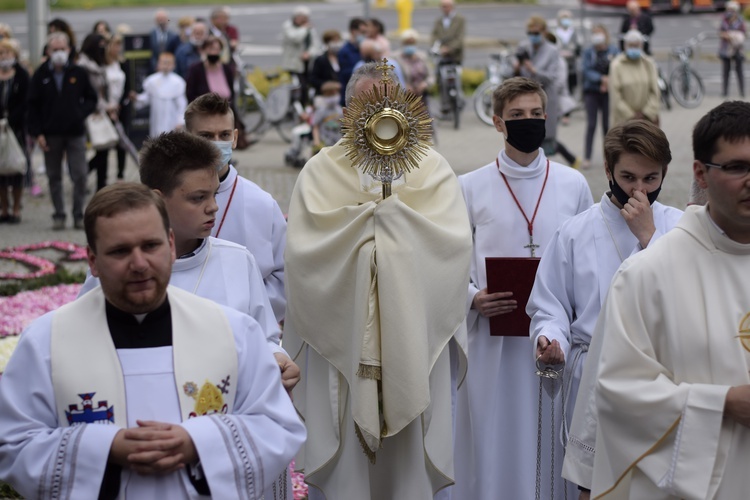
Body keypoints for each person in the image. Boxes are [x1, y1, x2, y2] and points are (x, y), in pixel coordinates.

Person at [0, 182, 306, 499]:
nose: (139, 264)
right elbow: (13, 444)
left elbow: (276, 426)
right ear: (92, 260)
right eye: (120, 250)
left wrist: (197, 443)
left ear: (171, 245)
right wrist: (105, 449)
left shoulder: (234, 332)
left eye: (150, 246)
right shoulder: (47, 342)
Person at [284, 62, 472, 499]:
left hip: (413, 342)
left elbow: (453, 247)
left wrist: (384, 233)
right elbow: (303, 253)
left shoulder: (434, 169)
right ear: (347, 110)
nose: (378, 115)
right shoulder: (319, 171)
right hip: (344, 346)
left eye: (388, 103)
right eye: (367, 104)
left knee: (406, 477)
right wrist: (379, 235)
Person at [572, 100, 750, 499]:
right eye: (737, 167)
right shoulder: (646, 275)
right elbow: (618, 393)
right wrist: (720, 404)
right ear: (701, 173)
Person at [452, 77, 593, 500]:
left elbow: (588, 258)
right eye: (517, 116)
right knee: (497, 436)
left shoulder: (573, 184)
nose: (527, 122)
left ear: (547, 119)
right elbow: (449, 260)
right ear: (498, 122)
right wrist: (472, 296)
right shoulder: (469, 186)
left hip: (555, 339)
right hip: (493, 341)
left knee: (552, 433)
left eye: (535, 115)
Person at [526, 120, 683, 498]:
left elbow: (685, 299)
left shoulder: (679, 228)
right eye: (628, 176)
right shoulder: (575, 232)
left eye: (651, 178)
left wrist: (649, 237)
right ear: (609, 170)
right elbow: (551, 304)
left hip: (663, 381)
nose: (639, 189)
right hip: (592, 378)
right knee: (593, 487)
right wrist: (551, 338)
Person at [77, 131, 298, 388]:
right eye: (198, 198)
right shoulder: (120, 268)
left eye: (215, 194)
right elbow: (85, 341)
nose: (213, 206)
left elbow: (263, 338)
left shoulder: (237, 260)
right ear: (158, 200)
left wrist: (278, 358)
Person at [184, 92, 287, 322]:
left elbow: (283, 280)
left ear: (235, 138)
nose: (216, 143)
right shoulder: (169, 200)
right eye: (206, 136)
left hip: (244, 327)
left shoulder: (261, 204)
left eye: (224, 135)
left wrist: (240, 313)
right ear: (187, 138)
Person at [28, 32, 98, 230]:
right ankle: (59, 214)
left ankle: (78, 214)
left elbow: (91, 98)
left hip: (75, 132)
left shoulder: (78, 72)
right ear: (48, 52)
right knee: (54, 176)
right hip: (50, 134)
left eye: (62, 49)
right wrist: (37, 133)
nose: (59, 53)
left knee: (80, 175)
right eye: (55, 49)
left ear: (69, 50)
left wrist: (79, 113)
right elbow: (32, 106)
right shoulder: (41, 74)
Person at [515, 16, 562, 158]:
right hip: (525, 100)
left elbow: (552, 76)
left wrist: (534, 70)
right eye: (530, 33)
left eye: (536, 33)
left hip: (545, 99)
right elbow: (514, 76)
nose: (532, 37)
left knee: (545, 142)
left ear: (544, 32)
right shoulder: (524, 46)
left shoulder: (552, 50)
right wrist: (516, 68)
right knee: (526, 144)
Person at [79, 33, 116, 192]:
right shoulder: (83, 66)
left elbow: (104, 90)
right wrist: (104, 106)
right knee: (98, 148)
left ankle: (101, 183)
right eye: (100, 44)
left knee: (104, 147)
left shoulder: (99, 64)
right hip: (90, 112)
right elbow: (89, 92)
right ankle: (81, 174)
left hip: (102, 110)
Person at [581, 24, 619, 170]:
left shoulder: (613, 50)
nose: (597, 36)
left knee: (607, 126)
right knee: (591, 125)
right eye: (594, 33)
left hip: (608, 92)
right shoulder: (588, 52)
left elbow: (617, 67)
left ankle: (608, 158)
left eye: (599, 33)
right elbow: (586, 70)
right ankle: (587, 157)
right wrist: (600, 79)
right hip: (592, 92)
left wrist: (608, 80)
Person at [0, 39, 29, 224]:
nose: (3, 56)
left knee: (16, 168)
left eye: (7, 53)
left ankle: (17, 207)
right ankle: (4, 208)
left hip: (15, 129)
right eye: (1, 53)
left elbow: (26, 102)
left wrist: (10, 120)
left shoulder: (22, 75)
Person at [609, 29, 660, 127]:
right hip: (623, 122)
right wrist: (631, 115)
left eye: (636, 45)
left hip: (647, 120)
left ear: (641, 46)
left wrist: (645, 113)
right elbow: (615, 96)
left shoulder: (648, 63)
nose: (634, 48)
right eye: (631, 45)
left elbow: (655, 92)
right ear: (625, 46)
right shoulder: (617, 65)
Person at [133, 52, 187, 137]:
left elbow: (181, 104)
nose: (166, 65)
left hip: (172, 121)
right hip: (156, 120)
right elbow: (147, 98)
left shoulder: (178, 82)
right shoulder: (152, 81)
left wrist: (180, 121)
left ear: (173, 65)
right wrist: (137, 98)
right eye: (163, 62)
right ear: (158, 63)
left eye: (168, 63)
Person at [281, 6, 318, 107]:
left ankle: (305, 105)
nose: (305, 21)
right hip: (293, 64)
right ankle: (296, 106)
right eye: (303, 18)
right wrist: (304, 28)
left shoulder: (309, 28)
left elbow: (315, 44)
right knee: (299, 85)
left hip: (307, 62)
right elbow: (295, 38)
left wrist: (309, 53)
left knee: (307, 85)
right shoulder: (288, 26)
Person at [185, 36, 234, 103]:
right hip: (204, 110)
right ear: (204, 50)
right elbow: (190, 94)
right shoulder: (195, 69)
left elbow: (232, 92)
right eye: (211, 49)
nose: (214, 52)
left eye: (217, 49)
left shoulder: (227, 69)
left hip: (225, 109)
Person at [395, 29, 434, 111]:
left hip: (421, 96)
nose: (410, 46)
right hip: (405, 97)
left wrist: (425, 84)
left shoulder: (422, 57)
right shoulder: (396, 59)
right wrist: (405, 86)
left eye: (412, 43)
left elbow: (431, 76)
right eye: (407, 43)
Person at [719, 1, 746, 98]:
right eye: (728, 9)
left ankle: (742, 92)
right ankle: (725, 92)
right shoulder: (724, 20)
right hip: (726, 49)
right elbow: (720, 32)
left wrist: (732, 36)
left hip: (737, 49)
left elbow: (743, 34)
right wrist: (727, 35)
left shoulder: (740, 20)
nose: (730, 12)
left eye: (731, 10)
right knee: (726, 72)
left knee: (739, 72)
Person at [338, 17, 367, 104]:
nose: (365, 35)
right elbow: (346, 75)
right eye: (362, 32)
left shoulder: (364, 49)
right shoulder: (345, 51)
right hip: (350, 96)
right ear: (353, 31)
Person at [555, 10, 581, 105]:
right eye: (563, 18)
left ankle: (569, 108)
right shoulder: (556, 33)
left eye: (567, 18)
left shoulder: (574, 33)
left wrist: (572, 53)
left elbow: (578, 49)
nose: (565, 20)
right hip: (559, 65)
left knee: (571, 86)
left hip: (571, 65)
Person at [311, 80, 343, 152]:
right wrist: (316, 141)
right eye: (330, 94)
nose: (333, 97)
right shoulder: (321, 111)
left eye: (334, 94)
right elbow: (315, 126)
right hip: (324, 145)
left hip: (337, 144)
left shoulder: (340, 111)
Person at [431, 0, 465, 64]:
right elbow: (434, 36)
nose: (443, 8)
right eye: (442, 6)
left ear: (452, 7)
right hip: (440, 55)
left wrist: (448, 49)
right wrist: (438, 48)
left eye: (445, 6)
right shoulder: (438, 20)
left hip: (455, 56)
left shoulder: (460, 19)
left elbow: (460, 38)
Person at [309, 29, 341, 96]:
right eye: (334, 41)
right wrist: (329, 85)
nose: (336, 44)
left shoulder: (342, 57)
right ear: (327, 43)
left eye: (338, 41)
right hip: (325, 95)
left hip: (340, 94)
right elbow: (313, 79)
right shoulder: (321, 59)